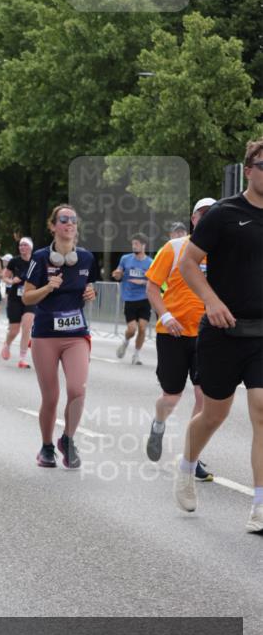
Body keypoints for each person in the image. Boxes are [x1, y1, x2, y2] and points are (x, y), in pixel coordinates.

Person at [174, 139, 263, 533]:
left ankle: (260, 506)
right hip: (223, 333)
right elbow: (187, 262)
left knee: (262, 409)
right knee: (214, 414)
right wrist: (210, 301)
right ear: (249, 169)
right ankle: (187, 466)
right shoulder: (225, 214)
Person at [144, 199, 217, 481]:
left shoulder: (223, 251)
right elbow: (152, 287)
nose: (210, 219)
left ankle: (191, 457)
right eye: (204, 215)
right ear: (194, 219)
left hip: (207, 334)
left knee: (203, 396)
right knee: (171, 397)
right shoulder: (174, 248)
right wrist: (165, 317)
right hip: (172, 332)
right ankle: (159, 423)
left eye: (215, 214)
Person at [22, 205, 98, 469]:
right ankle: (46, 447)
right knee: (51, 397)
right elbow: (26, 296)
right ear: (53, 226)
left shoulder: (86, 258)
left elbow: (89, 288)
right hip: (45, 334)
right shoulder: (41, 258)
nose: (69, 224)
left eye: (73, 220)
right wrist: (47, 287)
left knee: (77, 390)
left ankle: (67, 439)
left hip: (76, 333)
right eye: (63, 220)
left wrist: (91, 294)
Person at [112, 234, 154, 364]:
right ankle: (125, 342)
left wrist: (142, 282)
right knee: (132, 329)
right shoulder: (125, 259)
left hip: (145, 299)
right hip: (129, 299)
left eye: (137, 244)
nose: (134, 246)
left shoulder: (150, 263)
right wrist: (117, 274)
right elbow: (117, 274)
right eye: (133, 244)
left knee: (142, 328)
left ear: (143, 246)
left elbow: (154, 281)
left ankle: (136, 355)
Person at [1, 237, 35, 369]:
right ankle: (7, 344)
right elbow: (4, 276)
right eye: (21, 246)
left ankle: (22, 358)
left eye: (25, 245)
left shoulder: (36, 261)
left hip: (30, 297)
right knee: (14, 330)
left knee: (27, 326)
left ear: (30, 247)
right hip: (15, 298)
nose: (22, 248)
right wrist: (11, 281)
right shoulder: (14, 261)